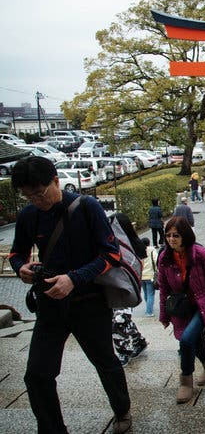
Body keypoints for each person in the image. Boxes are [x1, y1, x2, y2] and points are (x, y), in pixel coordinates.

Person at [9, 156, 132, 433]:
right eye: (28, 196)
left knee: (105, 362)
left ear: (55, 181)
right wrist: (21, 267)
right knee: (37, 374)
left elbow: (111, 254)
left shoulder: (86, 207)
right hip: (50, 303)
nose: (36, 200)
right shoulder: (29, 215)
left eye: (39, 193)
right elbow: (17, 253)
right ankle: (52, 428)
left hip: (89, 302)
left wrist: (74, 278)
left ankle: (122, 409)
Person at [157, 216, 205, 403]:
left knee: (186, 339)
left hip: (203, 304)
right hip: (182, 307)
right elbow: (163, 288)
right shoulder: (164, 258)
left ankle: (185, 381)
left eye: (176, 235)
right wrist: (164, 314)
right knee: (195, 341)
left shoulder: (201, 255)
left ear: (185, 236)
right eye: (168, 235)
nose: (171, 239)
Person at [110, 213, 149, 368]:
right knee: (123, 318)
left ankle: (124, 352)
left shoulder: (128, 245)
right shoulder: (118, 243)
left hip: (126, 288)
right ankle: (138, 342)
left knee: (118, 321)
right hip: (119, 287)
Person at [141, 237, 157, 317]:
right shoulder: (151, 250)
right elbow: (155, 260)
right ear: (149, 243)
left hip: (141, 276)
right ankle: (149, 311)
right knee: (151, 294)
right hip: (150, 275)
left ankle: (148, 307)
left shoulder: (138, 251)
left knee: (146, 293)